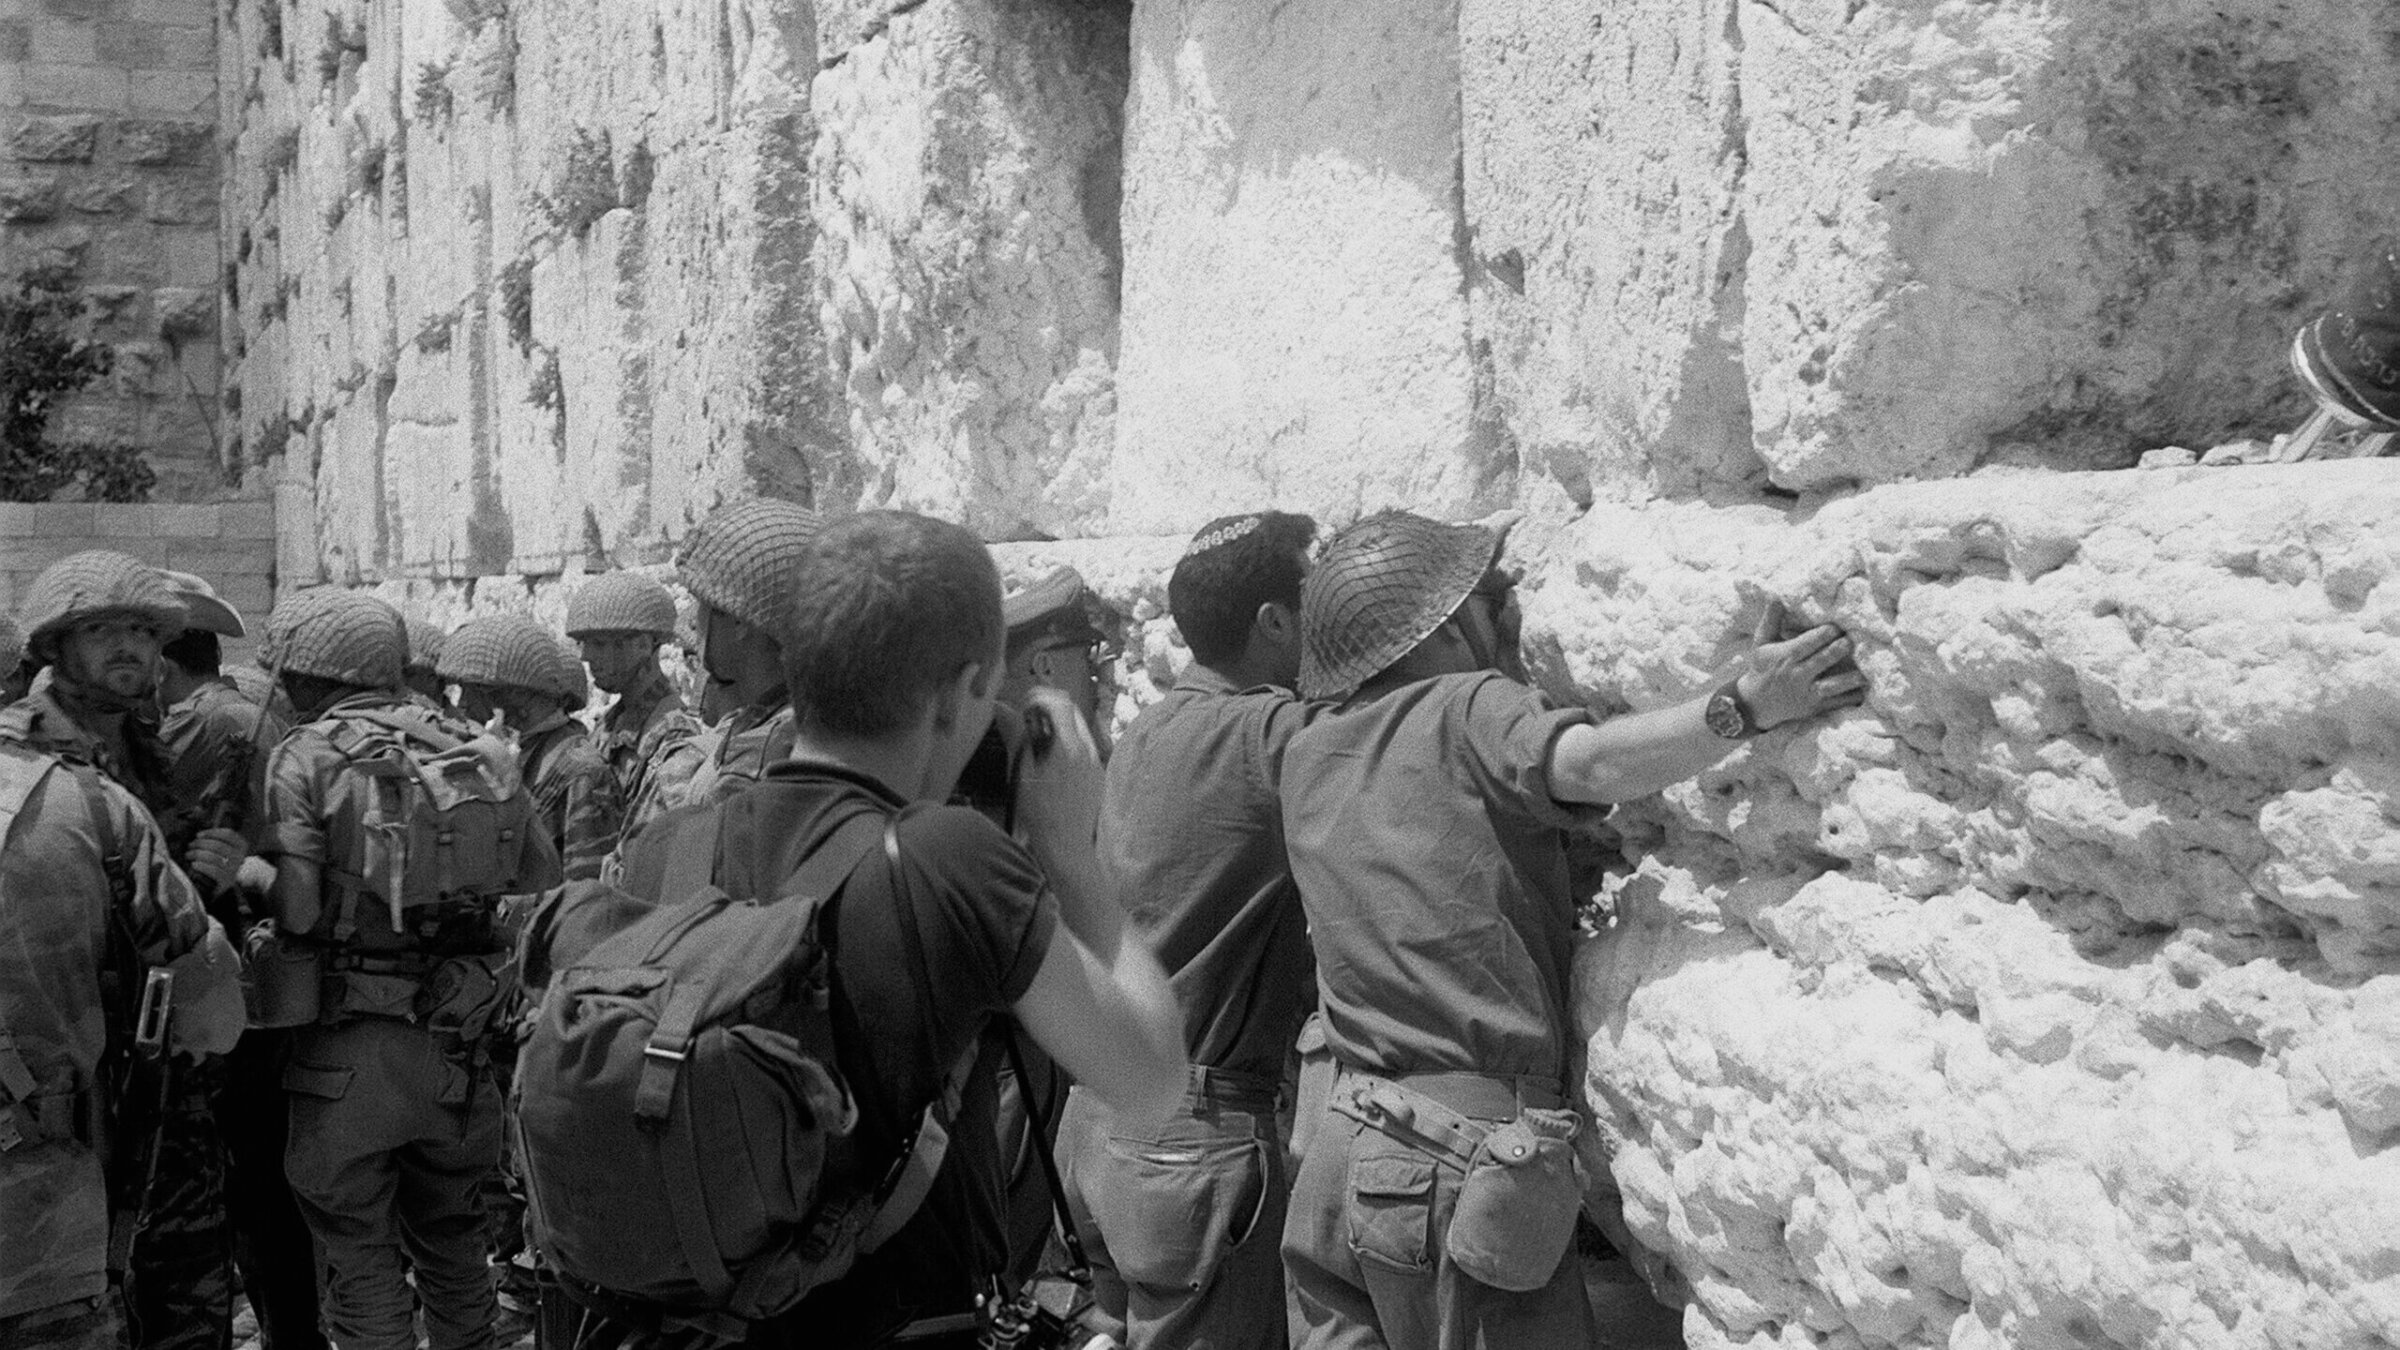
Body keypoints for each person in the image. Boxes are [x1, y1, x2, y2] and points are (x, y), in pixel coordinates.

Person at [590, 509, 1189, 1347]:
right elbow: (1152, 1080)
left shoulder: (670, 849)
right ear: (961, 692)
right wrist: (1067, 851)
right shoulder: (949, 863)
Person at [1277, 510, 1866, 1350]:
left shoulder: (1307, 753)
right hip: (1458, 1163)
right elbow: (1590, 765)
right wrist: (1741, 705)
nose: (1502, 615)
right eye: (1487, 598)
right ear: (1441, 627)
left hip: (1339, 1156)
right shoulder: (1465, 703)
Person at [251, 587, 563, 1350]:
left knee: (358, 1254)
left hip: (348, 1048)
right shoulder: (474, 749)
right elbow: (542, 876)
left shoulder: (308, 754)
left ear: (305, 676)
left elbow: (296, 910)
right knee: (456, 1243)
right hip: (458, 1041)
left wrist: (255, 876)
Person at [1058, 511, 1322, 1350]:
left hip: (1097, 1130)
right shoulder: (1273, 733)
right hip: (1189, 1149)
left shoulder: (1147, 730)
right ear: (1275, 622)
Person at [0, 550, 246, 1350]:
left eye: (143, 632)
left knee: (183, 1299)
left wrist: (212, 876)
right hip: (69, 1073)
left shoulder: (147, 744)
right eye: (103, 630)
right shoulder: (29, 752)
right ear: (52, 646)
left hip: (161, 1081)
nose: (130, 648)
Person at [153, 570, 323, 1350]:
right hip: (264, 950)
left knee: (235, 1171)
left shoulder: (196, 722)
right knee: (264, 1172)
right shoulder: (252, 707)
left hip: (220, 942)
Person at [617, 499, 821, 838]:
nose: (695, 623)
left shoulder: (760, 755)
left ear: (738, 619)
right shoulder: (767, 726)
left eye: (705, 607)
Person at [440, 613, 625, 883]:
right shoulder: (522, 752)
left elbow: (586, 897)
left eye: (479, 690)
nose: (465, 703)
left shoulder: (582, 772)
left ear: (518, 692)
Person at [563, 570, 703, 809]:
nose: (586, 656)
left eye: (598, 644)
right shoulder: (610, 723)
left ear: (642, 644)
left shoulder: (672, 734)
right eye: (584, 644)